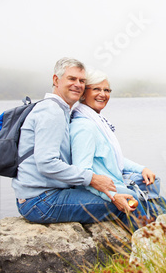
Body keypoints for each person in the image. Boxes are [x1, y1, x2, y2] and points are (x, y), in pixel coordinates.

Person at [12, 58, 138, 228]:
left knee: (123, 196)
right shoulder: (52, 111)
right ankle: (149, 251)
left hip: (42, 195)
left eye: (81, 81)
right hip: (41, 201)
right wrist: (92, 179)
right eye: (72, 79)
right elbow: (46, 163)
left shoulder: (59, 109)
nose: (77, 85)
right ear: (56, 80)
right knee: (128, 202)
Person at [70, 69, 166, 220]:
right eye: (96, 89)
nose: (103, 94)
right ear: (83, 93)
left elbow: (113, 158)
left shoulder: (97, 122)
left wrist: (142, 169)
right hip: (107, 190)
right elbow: (82, 173)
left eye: (106, 90)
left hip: (115, 183)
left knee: (154, 190)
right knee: (136, 199)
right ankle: (153, 239)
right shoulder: (84, 127)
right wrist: (113, 196)